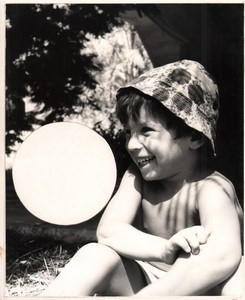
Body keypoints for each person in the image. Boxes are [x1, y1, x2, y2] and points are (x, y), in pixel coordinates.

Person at [41, 60, 243, 296]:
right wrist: (164, 249)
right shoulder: (136, 177)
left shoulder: (212, 188)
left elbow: (223, 254)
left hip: (198, 288)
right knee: (95, 254)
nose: (133, 144)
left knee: (240, 273)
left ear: (194, 136)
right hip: (146, 283)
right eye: (129, 132)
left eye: (146, 131)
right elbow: (108, 232)